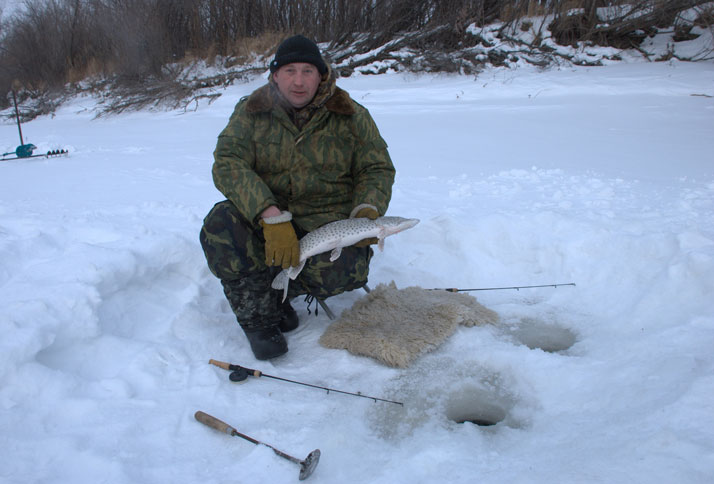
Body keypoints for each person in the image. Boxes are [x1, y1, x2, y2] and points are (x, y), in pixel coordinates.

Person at [199, 35, 396, 360]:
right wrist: (270, 214)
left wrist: (366, 209)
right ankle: (260, 318)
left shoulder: (350, 114)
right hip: (267, 223)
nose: (299, 81)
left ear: (323, 74)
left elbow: (376, 168)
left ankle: (280, 296)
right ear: (275, 75)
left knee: (343, 269)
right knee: (220, 225)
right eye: (290, 70)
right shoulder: (252, 111)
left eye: (308, 71)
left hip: (326, 224)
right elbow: (228, 162)